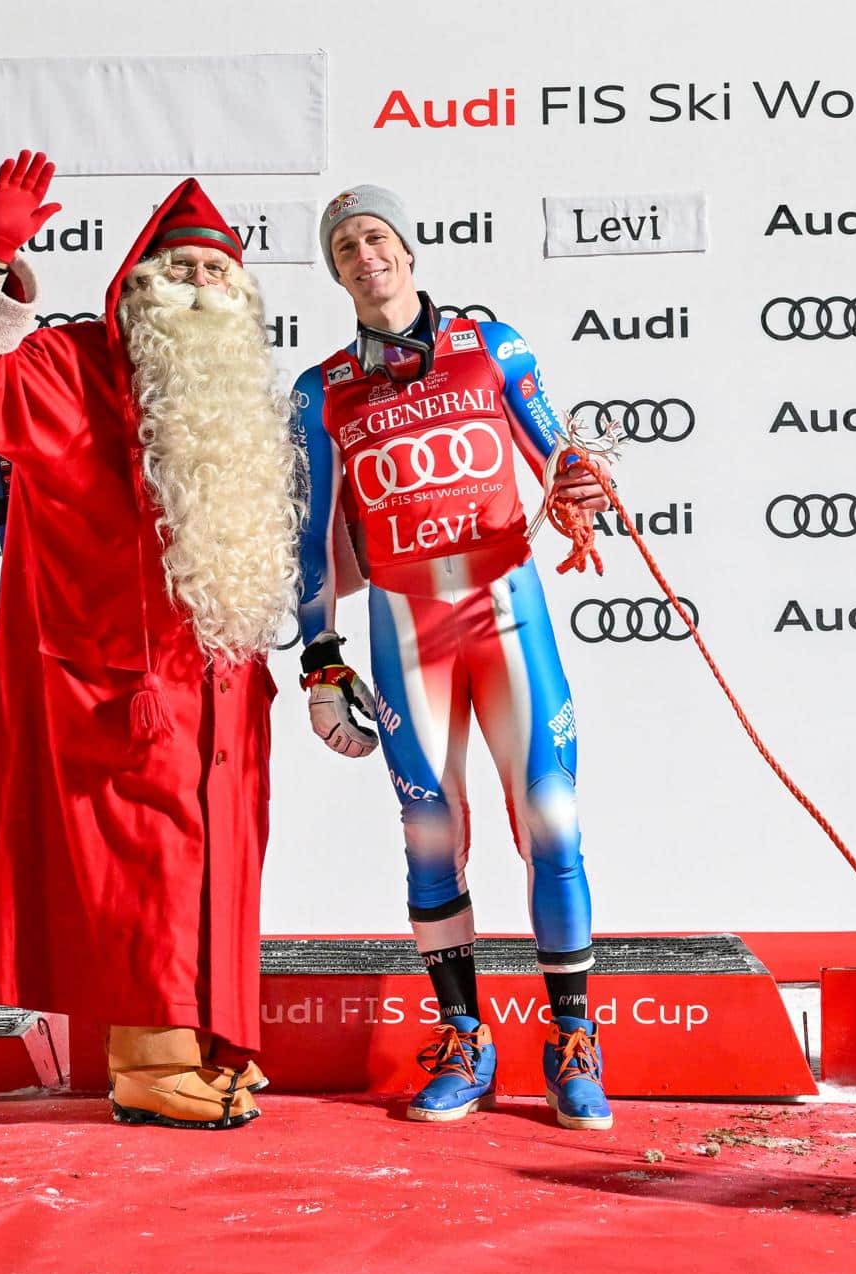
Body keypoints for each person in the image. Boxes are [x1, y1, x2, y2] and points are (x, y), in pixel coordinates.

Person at [0, 151, 301, 1129]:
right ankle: (147, 1061)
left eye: (220, 272)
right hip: (116, 682)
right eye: (181, 268)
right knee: (146, 863)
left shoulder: (244, 407)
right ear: (136, 285)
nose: (201, 284)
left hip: (218, 685)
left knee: (217, 856)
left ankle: (216, 1040)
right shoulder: (72, 367)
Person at [290, 186, 617, 1129]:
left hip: (505, 612)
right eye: (346, 244)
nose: (364, 253)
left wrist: (579, 485)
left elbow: (554, 449)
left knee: (550, 819)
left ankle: (573, 1041)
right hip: (405, 628)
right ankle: (467, 1040)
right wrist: (317, 658)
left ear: (409, 250)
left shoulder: (489, 342)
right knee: (431, 829)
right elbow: (313, 536)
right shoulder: (322, 390)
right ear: (337, 269)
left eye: (378, 235)